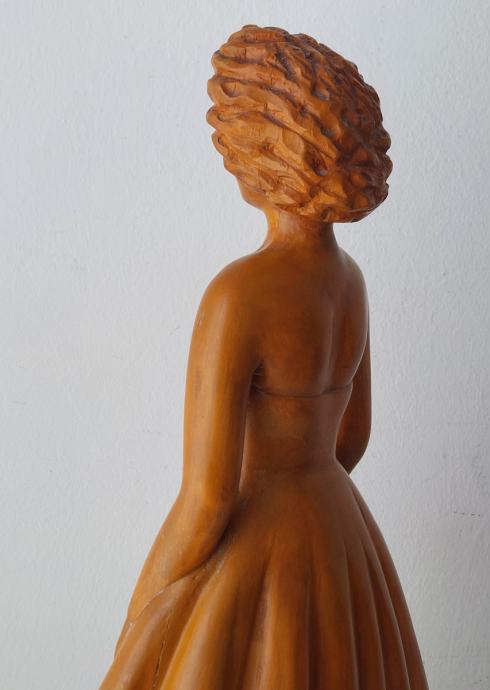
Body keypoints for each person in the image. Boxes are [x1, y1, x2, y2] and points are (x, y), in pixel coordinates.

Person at [100, 24, 428, 690]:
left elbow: (207, 499)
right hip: (337, 532)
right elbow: (352, 441)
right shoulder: (349, 282)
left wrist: (143, 605)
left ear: (261, 151)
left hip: (259, 546)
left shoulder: (239, 295)